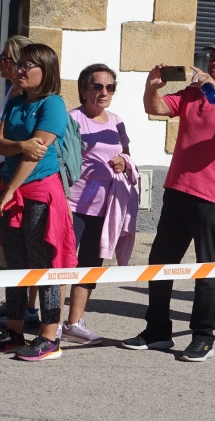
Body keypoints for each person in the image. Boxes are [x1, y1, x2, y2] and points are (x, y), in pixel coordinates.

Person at [121, 36, 215, 362]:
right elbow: (154, 108)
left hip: (212, 197)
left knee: (206, 270)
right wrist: (151, 87)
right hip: (178, 190)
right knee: (160, 264)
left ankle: (203, 336)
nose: (214, 59)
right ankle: (157, 331)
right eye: (212, 54)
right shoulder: (192, 93)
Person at [0, 43, 76, 361]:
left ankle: (50, 336)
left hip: (39, 195)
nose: (18, 70)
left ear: (45, 71)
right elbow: (1, 144)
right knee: (16, 264)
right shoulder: (15, 102)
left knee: (43, 263)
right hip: (13, 192)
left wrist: (8, 192)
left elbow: (34, 157)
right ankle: (13, 331)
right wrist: (20, 144)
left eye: (27, 66)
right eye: (18, 64)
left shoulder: (54, 105)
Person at [60, 63, 138, 344]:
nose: (104, 92)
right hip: (73, 203)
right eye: (97, 86)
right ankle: (53, 323)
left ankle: (75, 322)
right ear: (83, 90)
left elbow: (127, 154)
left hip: (105, 206)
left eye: (110, 87)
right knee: (63, 264)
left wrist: (123, 161)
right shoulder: (72, 119)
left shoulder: (116, 121)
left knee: (91, 264)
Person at [0, 35, 41, 327]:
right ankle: (15, 304)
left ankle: (28, 308)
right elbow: (0, 144)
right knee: (10, 247)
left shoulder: (30, 99)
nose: (1, 63)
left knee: (27, 246)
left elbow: (30, 147)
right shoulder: (11, 94)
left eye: (6, 57)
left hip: (26, 180)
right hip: (7, 172)